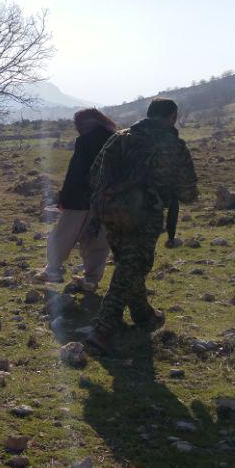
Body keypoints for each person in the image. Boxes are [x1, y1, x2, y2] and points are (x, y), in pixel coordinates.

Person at [85, 98, 198, 355]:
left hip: (110, 212)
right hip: (144, 214)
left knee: (129, 262)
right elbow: (188, 191)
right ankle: (103, 329)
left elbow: (94, 176)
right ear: (172, 117)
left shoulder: (119, 138)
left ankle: (143, 314)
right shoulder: (172, 144)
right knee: (131, 266)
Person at [39, 109, 117, 287]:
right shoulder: (114, 138)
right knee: (98, 239)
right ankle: (91, 279)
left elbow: (76, 173)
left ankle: (53, 270)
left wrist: (64, 198)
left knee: (63, 234)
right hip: (107, 200)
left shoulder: (87, 141)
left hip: (79, 199)